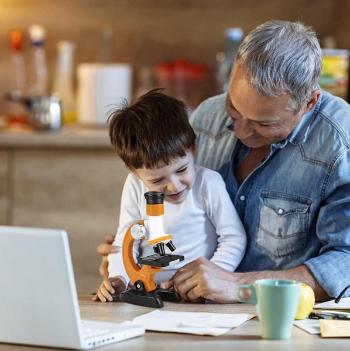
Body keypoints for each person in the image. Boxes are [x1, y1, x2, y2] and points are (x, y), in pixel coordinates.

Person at [97, 20, 350, 303]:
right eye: (234, 107)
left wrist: (239, 286)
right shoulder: (207, 116)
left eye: (263, 123)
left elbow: (345, 263)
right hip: (195, 314)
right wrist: (130, 261)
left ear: (310, 103)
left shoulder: (340, 145)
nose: (241, 132)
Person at [93, 90, 246, 302]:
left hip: (197, 295)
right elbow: (124, 241)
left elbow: (234, 238)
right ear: (134, 171)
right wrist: (120, 279)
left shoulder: (208, 183)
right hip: (150, 292)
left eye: (182, 170)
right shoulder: (134, 186)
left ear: (193, 150)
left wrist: (213, 276)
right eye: (156, 181)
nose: (173, 186)